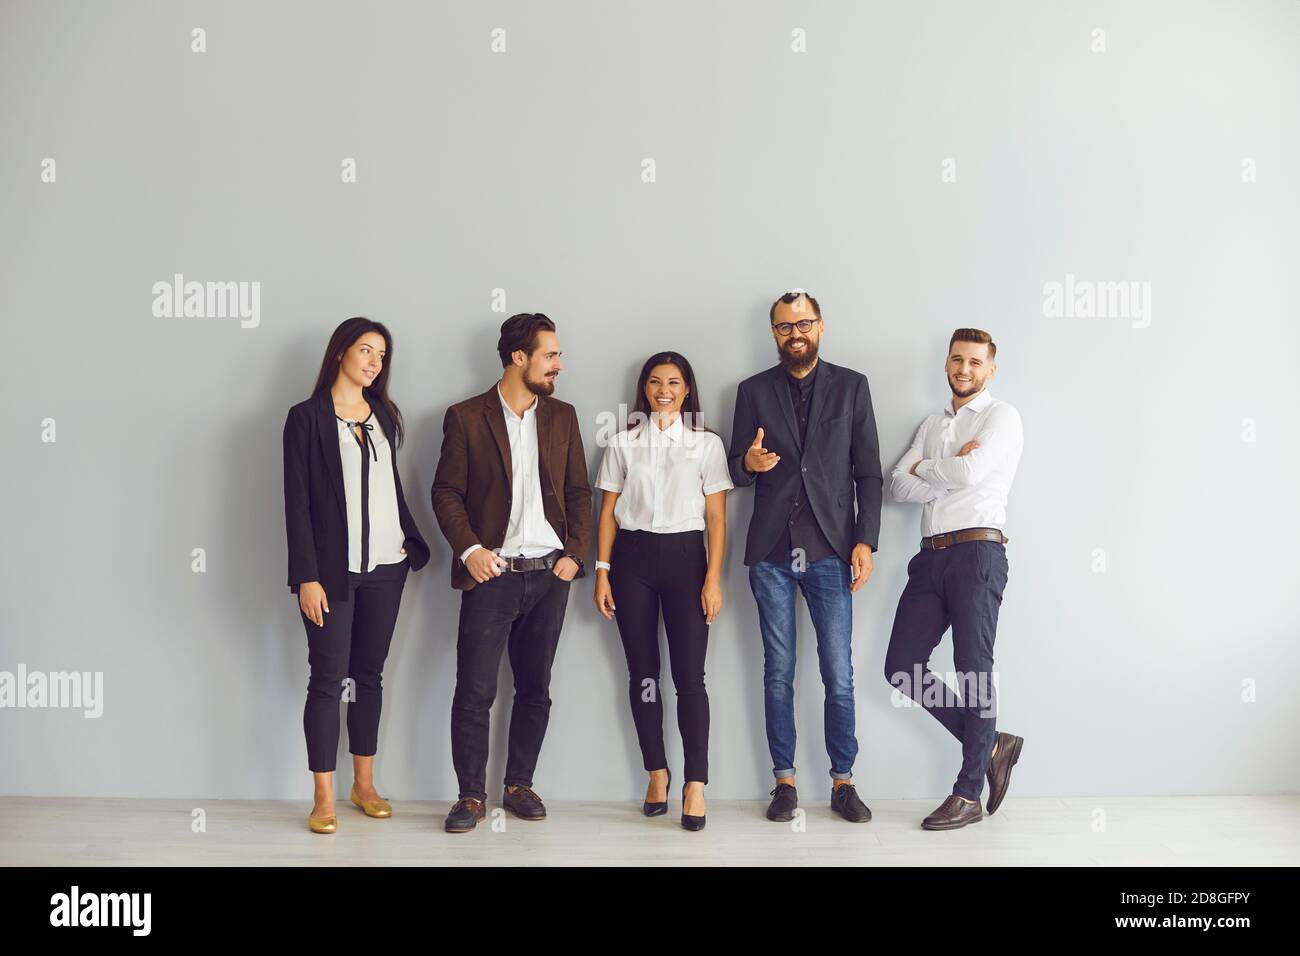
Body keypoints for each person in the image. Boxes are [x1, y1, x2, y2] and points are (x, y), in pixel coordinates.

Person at [431, 312, 592, 833]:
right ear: (518, 358)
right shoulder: (466, 416)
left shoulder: (563, 416)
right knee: (474, 691)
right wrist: (470, 549)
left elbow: (578, 494)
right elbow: (446, 492)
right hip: (491, 575)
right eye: (551, 355)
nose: (559, 365)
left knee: (536, 687)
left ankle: (519, 783)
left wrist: (575, 554)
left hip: (550, 575)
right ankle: (470, 796)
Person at [727, 289, 882, 823]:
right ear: (774, 333)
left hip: (831, 550)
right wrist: (748, 461)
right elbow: (734, 469)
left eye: (804, 323)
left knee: (838, 672)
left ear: (820, 326)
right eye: (785, 326)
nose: (796, 333)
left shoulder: (852, 387)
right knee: (779, 671)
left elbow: (868, 472)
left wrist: (866, 540)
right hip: (771, 551)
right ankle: (784, 782)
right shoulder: (752, 391)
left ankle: (843, 782)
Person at [282, 317, 432, 834]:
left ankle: (363, 784)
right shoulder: (306, 418)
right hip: (332, 573)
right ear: (340, 352)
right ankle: (322, 796)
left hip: (387, 567)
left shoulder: (383, 416)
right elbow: (296, 503)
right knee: (326, 681)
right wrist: (307, 575)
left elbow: (390, 486)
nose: (374, 362)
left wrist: (410, 545)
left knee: (368, 677)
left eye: (382, 355)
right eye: (365, 350)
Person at [884, 327, 1025, 831]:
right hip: (930, 558)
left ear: (989, 369)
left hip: (978, 553)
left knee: (973, 667)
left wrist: (929, 470)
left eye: (974, 362)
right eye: (956, 360)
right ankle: (993, 744)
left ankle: (967, 795)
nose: (963, 369)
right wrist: (942, 467)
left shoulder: (1001, 416)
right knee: (901, 666)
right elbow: (897, 485)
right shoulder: (931, 423)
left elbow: (973, 474)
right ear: (946, 364)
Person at [593, 352, 732, 831]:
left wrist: (713, 578)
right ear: (644, 389)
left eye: (673, 382)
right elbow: (608, 512)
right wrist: (602, 571)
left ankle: (696, 783)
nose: (664, 390)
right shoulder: (622, 443)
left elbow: (716, 518)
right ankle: (657, 773)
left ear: (687, 388)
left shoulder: (706, 444)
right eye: (654, 382)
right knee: (642, 675)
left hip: (687, 561)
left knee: (690, 678)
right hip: (631, 562)